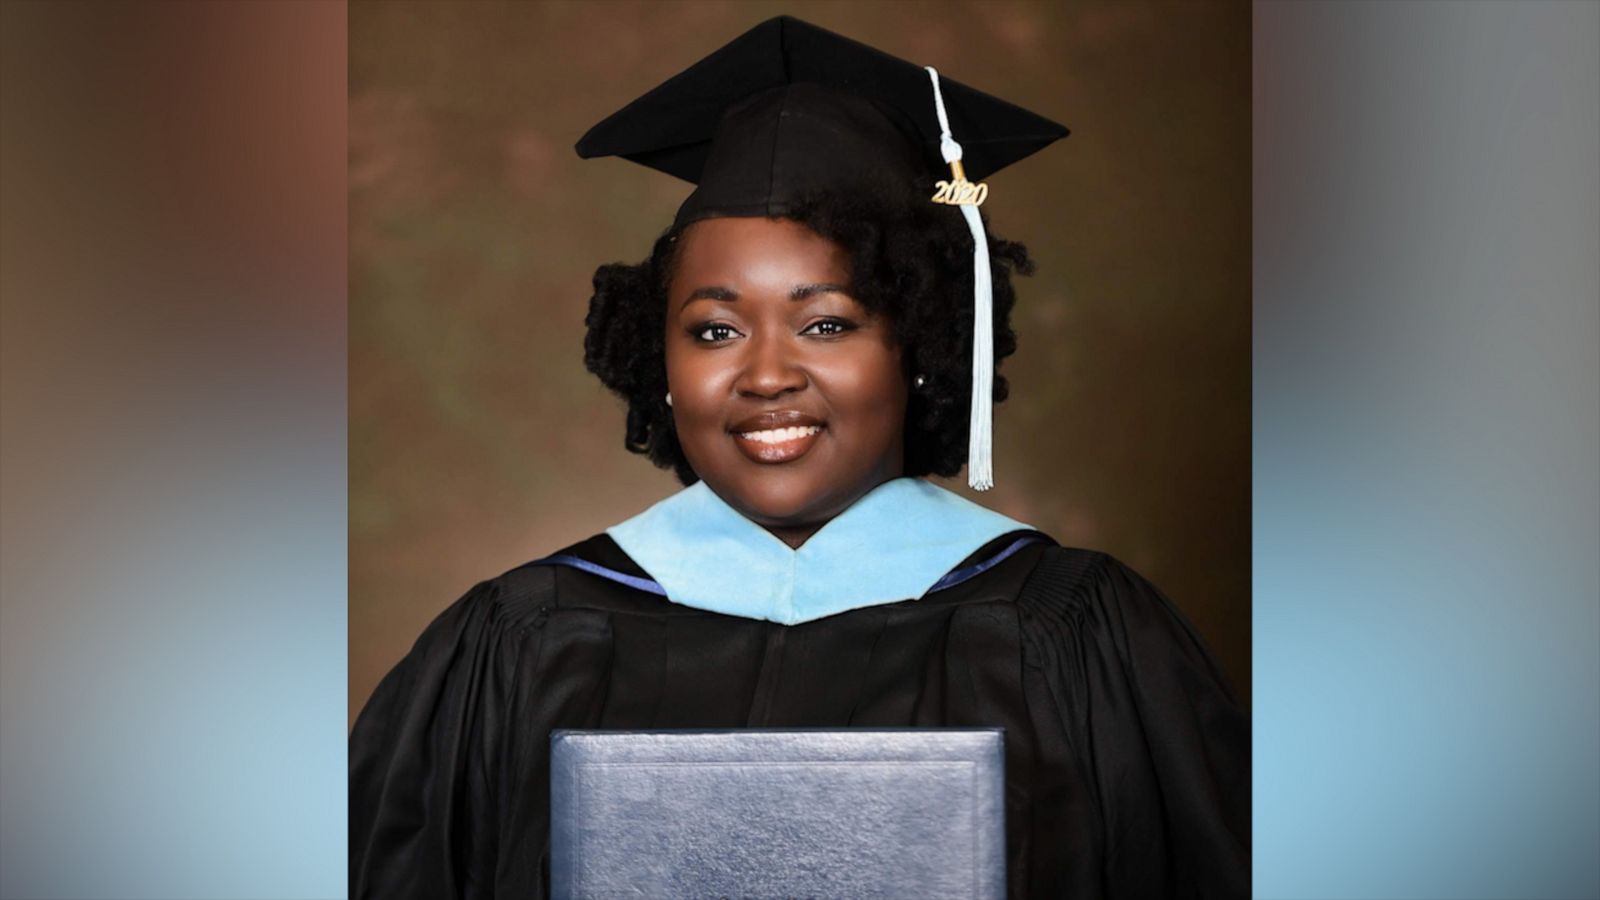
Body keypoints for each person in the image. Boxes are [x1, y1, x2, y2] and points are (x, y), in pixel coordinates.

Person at [350, 16, 1248, 899]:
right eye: (715, 329)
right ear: (659, 362)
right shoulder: (513, 645)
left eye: (827, 323)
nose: (768, 373)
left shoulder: (1081, 637)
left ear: (920, 345)